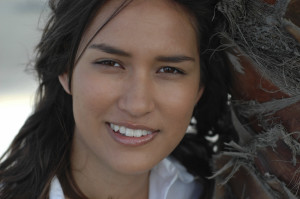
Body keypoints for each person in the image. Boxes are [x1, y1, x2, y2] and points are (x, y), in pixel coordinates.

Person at [0, 0, 231, 198]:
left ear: (199, 87)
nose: (137, 105)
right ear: (66, 69)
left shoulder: (222, 191)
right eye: (110, 63)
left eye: (170, 70)